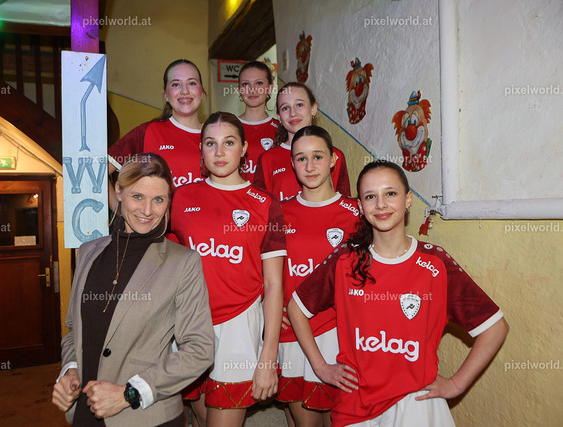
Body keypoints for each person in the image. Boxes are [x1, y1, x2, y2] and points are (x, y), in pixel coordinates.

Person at [287, 160, 509, 427]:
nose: (381, 204)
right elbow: (296, 308)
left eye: (390, 193)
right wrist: (320, 367)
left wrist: (456, 384)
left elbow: (495, 327)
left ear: (408, 200)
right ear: (360, 207)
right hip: (354, 406)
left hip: (415, 403)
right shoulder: (345, 260)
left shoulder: (436, 264)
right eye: (371, 196)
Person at [52, 154, 214, 427]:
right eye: (137, 196)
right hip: (85, 412)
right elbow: (73, 332)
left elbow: (200, 349)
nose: (147, 210)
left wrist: (130, 393)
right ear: (118, 191)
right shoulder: (89, 252)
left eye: (158, 200)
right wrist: (70, 371)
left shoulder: (183, 262)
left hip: (147, 417)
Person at [170, 112, 286, 427]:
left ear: (244, 148)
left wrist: (268, 355)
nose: (219, 152)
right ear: (201, 149)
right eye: (211, 143)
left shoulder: (265, 203)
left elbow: (274, 285)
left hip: (239, 325)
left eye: (229, 143)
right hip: (187, 323)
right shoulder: (180, 198)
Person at [277, 126, 360, 427]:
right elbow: (261, 269)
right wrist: (268, 304)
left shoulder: (358, 212)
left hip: (341, 332)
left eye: (318, 157)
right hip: (295, 333)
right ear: (292, 163)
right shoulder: (277, 213)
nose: (310, 166)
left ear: (333, 159)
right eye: (301, 158)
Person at [107, 59, 205, 210]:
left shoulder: (219, 136)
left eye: (192, 83)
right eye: (176, 84)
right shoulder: (147, 132)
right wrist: (121, 211)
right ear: (165, 94)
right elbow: (98, 171)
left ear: (202, 91)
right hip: (159, 226)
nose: (184, 91)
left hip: (212, 225)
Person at [253, 82, 351, 201]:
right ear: (279, 117)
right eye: (285, 108)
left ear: (313, 109)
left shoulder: (336, 155)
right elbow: (259, 206)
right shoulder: (267, 159)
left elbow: (344, 203)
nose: (293, 113)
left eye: (299, 105)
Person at [237, 61, 279, 179]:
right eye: (246, 84)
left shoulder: (282, 129)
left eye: (259, 83)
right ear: (239, 89)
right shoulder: (228, 127)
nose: (252, 89)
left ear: (270, 88)